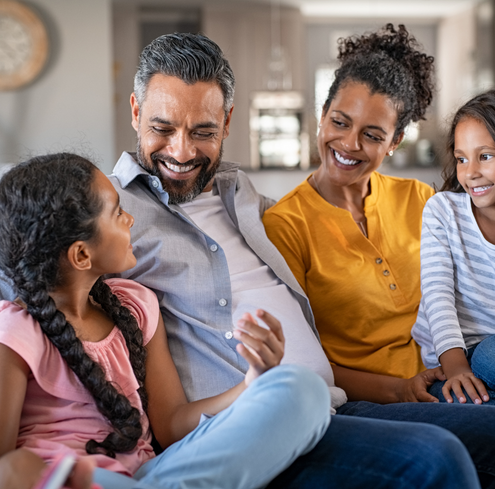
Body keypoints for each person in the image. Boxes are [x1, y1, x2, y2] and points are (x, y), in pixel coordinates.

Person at [1, 33, 494, 488]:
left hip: (325, 404)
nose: (181, 151)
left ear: (228, 123)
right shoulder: (106, 215)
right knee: (436, 457)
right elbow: (24, 260)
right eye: (162, 128)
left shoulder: (245, 195)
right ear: (135, 111)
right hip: (243, 425)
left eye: (203, 131)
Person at [0, 153, 332, 489]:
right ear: (82, 255)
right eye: (116, 214)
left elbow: (172, 426)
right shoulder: (14, 332)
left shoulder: (135, 305)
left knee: (302, 389)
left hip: (152, 475)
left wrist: (253, 382)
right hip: (70, 479)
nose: (129, 219)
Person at [262, 24, 495, 485]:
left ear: (396, 141)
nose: (349, 145)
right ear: (322, 115)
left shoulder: (420, 199)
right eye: (340, 122)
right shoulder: (286, 225)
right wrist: (402, 387)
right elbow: (308, 361)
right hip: (371, 400)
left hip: (457, 369)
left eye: (372, 134)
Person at [412, 90, 495, 405]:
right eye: (461, 158)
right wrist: (456, 366)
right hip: (457, 354)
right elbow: (437, 296)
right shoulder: (443, 211)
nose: (470, 172)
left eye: (484, 156)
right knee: (488, 355)